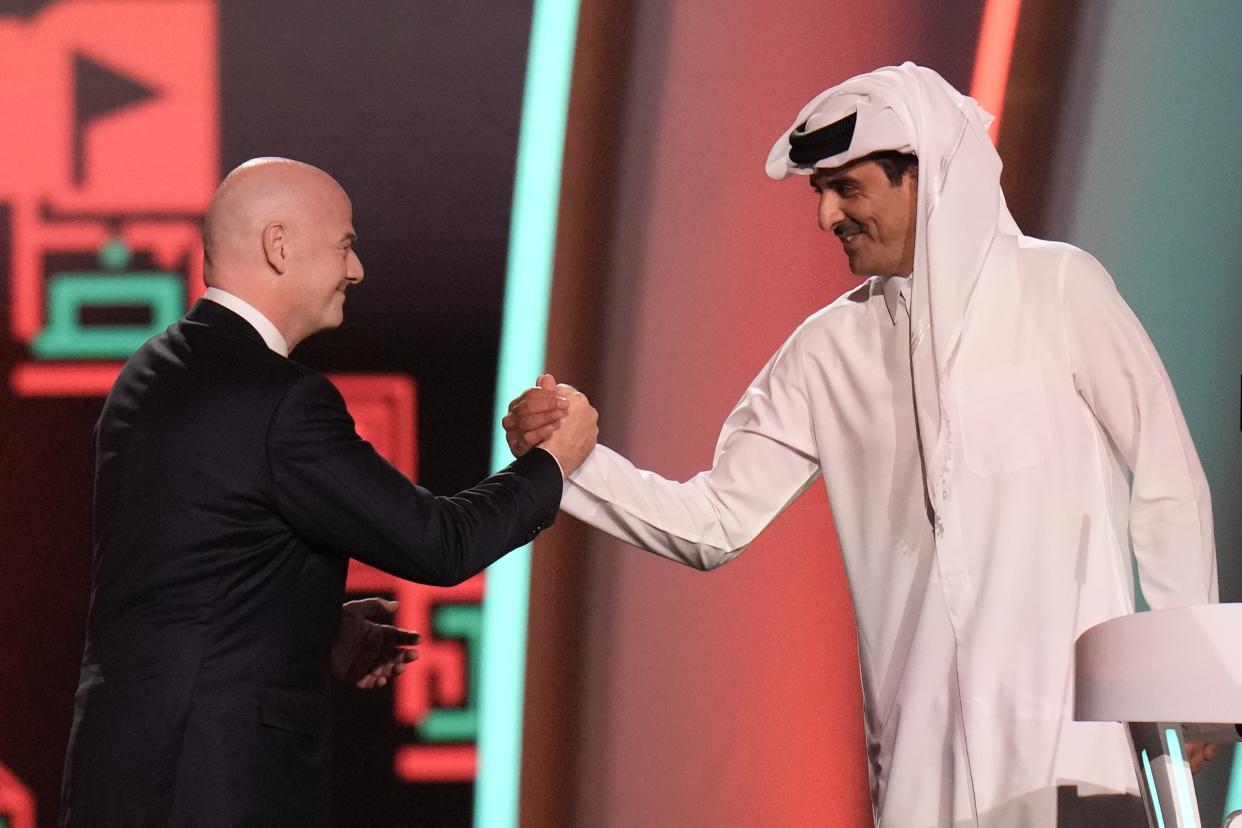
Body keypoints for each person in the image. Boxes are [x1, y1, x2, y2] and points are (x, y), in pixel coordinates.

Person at [505, 64, 1217, 826]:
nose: (826, 218)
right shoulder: (826, 352)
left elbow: (1167, 474)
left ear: (926, 177)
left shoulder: (1061, 289)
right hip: (920, 775)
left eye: (848, 188)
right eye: (820, 193)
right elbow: (712, 521)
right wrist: (566, 462)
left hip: (1073, 756)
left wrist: (1189, 677)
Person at [59, 158, 598, 826]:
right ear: (278, 247)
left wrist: (310, 628)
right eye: (345, 245)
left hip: (127, 779)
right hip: (212, 788)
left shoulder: (151, 373)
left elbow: (183, 585)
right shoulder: (278, 402)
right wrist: (554, 464)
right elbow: (440, 543)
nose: (357, 270)